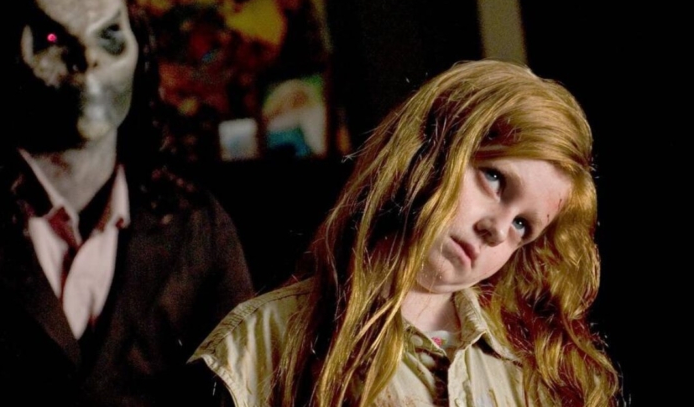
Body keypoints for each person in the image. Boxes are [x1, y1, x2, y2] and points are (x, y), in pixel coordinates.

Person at [0, 0, 253, 405]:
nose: (88, 60)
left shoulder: (197, 226)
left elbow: (242, 386)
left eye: (109, 36)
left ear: (139, 49)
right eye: (52, 38)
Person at [191, 60, 620, 406]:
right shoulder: (262, 341)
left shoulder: (535, 371)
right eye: (494, 178)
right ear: (429, 150)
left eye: (522, 225)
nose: (496, 230)